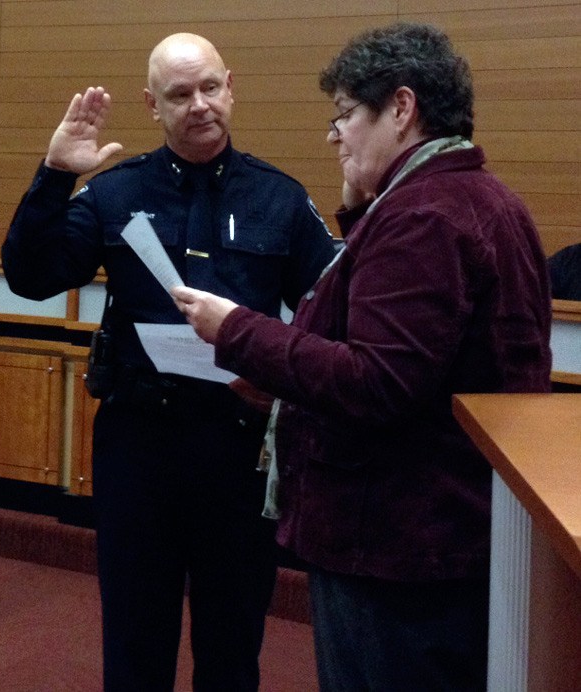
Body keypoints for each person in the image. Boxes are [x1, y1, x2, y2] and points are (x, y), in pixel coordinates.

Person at [171, 22, 553, 692]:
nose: (335, 135)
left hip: (398, 546)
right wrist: (362, 214)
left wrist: (236, 331)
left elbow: (376, 381)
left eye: (346, 115)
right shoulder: (477, 199)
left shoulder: (425, 216)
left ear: (401, 109)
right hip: (447, 533)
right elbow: (407, 350)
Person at [1, 33, 336, 691]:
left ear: (231, 86)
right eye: (180, 94)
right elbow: (30, 276)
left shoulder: (281, 199)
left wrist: (286, 378)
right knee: (134, 637)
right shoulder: (114, 193)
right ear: (153, 105)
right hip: (139, 447)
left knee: (233, 640)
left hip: (238, 449)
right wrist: (55, 174)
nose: (200, 105)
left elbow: (332, 316)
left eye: (210, 87)